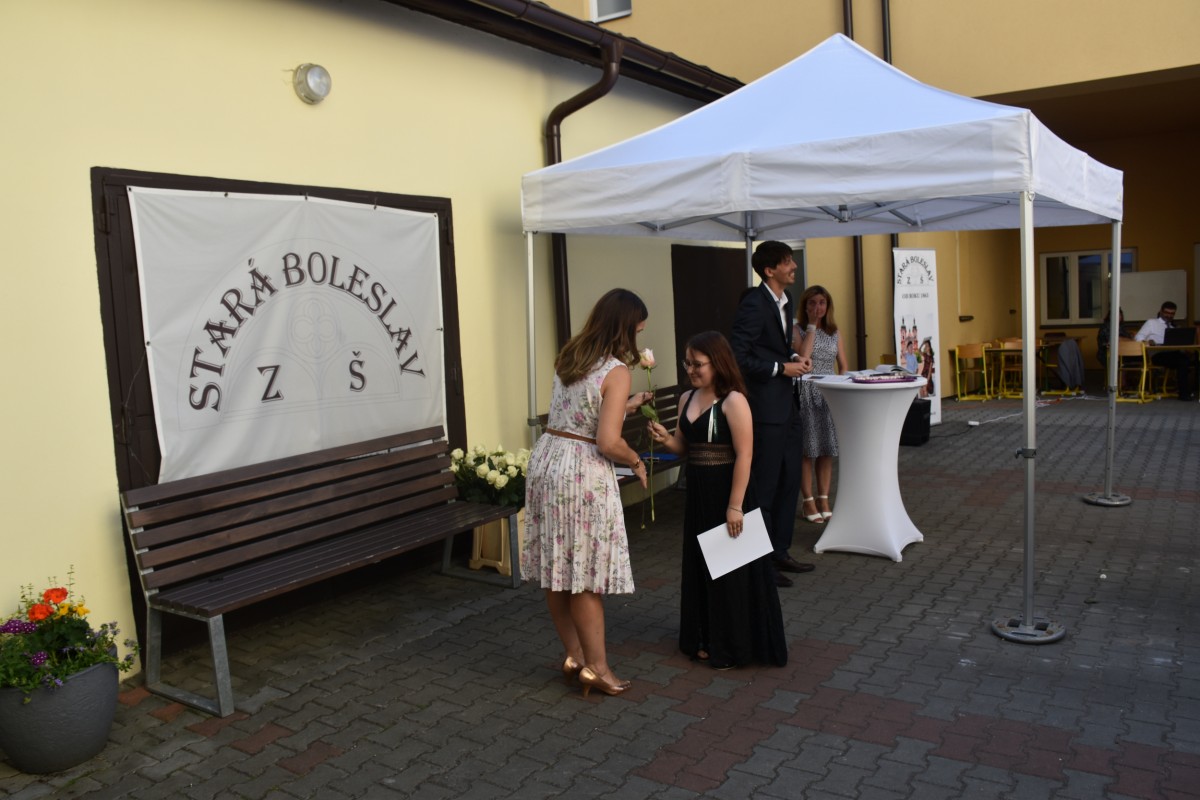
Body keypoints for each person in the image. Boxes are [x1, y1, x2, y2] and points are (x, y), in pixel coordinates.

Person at [522, 288, 652, 698]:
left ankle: (575, 657)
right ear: (624, 328)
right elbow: (607, 442)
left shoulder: (571, 355)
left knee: (558, 572)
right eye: (637, 330)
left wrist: (624, 405)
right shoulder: (617, 370)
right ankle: (598, 668)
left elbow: (578, 411)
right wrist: (635, 460)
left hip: (549, 460)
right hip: (581, 472)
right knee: (584, 576)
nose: (638, 339)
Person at [647, 331, 788, 670]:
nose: (691, 370)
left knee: (731, 570)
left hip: (728, 492)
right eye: (687, 363)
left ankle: (733, 645)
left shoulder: (733, 401)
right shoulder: (686, 398)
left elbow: (745, 455)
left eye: (698, 364)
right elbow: (684, 448)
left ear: (717, 363)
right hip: (699, 493)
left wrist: (735, 506)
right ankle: (704, 637)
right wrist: (665, 439)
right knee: (702, 565)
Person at [730, 240, 814, 588]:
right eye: (787, 261)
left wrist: (793, 359)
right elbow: (738, 357)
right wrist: (781, 368)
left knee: (789, 480)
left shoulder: (786, 299)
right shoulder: (753, 303)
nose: (793, 266)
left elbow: (774, 348)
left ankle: (779, 551)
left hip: (787, 405)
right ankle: (759, 564)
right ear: (769, 271)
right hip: (764, 409)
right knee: (764, 487)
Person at [792, 286, 848, 525]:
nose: (817, 307)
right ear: (805, 306)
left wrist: (841, 386)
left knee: (826, 449)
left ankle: (823, 499)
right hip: (805, 391)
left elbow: (843, 364)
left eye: (822, 303)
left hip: (829, 393)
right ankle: (808, 501)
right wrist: (812, 326)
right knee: (807, 450)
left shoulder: (835, 332)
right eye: (812, 303)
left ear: (828, 306)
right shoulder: (797, 330)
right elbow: (803, 358)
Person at [1134, 301, 1197, 400]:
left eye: (1172, 314)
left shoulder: (1173, 327)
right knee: (1183, 361)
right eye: (1167, 313)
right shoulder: (1151, 323)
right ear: (1161, 311)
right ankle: (1184, 394)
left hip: (1173, 353)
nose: (1169, 316)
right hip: (1157, 355)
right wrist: (1148, 342)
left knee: (1194, 359)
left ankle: (1193, 390)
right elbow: (1138, 337)